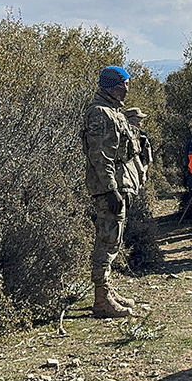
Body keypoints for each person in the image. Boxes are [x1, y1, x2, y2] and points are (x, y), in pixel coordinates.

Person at [81, 65, 138, 318]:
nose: (127, 90)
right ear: (115, 87)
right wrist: (111, 189)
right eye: (125, 85)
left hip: (117, 183)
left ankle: (107, 291)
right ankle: (101, 300)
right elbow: (100, 156)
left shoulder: (112, 112)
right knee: (106, 240)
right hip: (109, 187)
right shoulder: (100, 113)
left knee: (114, 238)